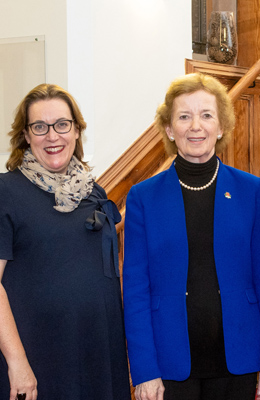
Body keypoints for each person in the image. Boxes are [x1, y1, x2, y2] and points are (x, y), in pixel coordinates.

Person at [123, 73, 260, 400]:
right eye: (184, 116)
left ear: (221, 126)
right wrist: (144, 369)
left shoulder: (250, 190)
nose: (196, 126)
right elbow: (136, 289)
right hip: (169, 365)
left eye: (206, 115)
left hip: (238, 358)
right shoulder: (143, 197)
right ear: (169, 129)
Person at [0, 84, 131, 400]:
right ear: (26, 136)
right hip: (38, 360)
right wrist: (17, 362)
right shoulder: (6, 192)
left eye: (62, 124)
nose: (52, 136)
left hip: (99, 354)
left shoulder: (92, 191)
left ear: (76, 131)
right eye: (39, 127)